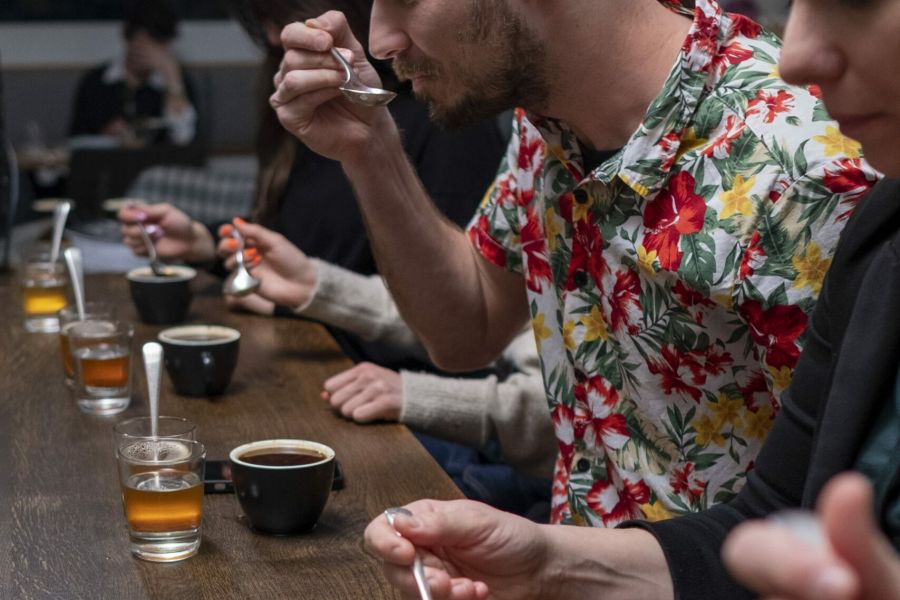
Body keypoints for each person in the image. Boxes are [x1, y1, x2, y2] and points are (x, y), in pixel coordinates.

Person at [247, 0, 878, 528]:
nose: (382, 38)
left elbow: (838, 523)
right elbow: (467, 328)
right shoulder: (548, 121)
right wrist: (371, 149)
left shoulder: (802, 171)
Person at [119, 0, 555, 516]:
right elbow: (471, 321)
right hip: (355, 384)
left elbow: (482, 346)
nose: (384, 40)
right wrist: (215, 246)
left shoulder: (453, 118)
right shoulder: (538, 140)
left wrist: (410, 388)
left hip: (416, 414)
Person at [213, 221, 556, 517]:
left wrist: (415, 393)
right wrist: (312, 284)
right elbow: (474, 316)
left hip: (546, 486)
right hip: (510, 457)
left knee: (351, 478)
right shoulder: (530, 179)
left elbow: (566, 417)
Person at [69, 0, 197, 147]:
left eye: (155, 44)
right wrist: (107, 138)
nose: (147, 52)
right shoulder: (96, 82)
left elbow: (184, 141)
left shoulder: (177, 82)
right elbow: (76, 142)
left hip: (159, 161)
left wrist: (172, 81)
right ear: (128, 39)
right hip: (108, 160)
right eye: (141, 44)